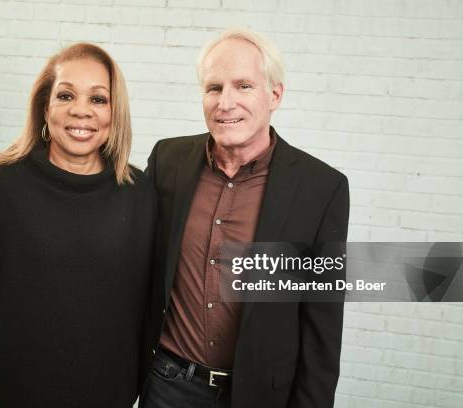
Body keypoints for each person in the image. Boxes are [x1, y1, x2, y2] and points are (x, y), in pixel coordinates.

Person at [141, 28, 349, 408]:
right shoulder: (167, 161)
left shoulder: (322, 189)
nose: (226, 102)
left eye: (244, 86)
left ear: (275, 95)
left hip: (261, 394)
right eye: (214, 87)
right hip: (168, 386)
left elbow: (322, 325)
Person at [0, 43, 156, 408]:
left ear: (115, 112)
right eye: (66, 95)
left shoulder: (139, 194)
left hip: (108, 395)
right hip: (17, 392)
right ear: (45, 108)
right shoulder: (1, 187)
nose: (81, 111)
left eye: (98, 99)